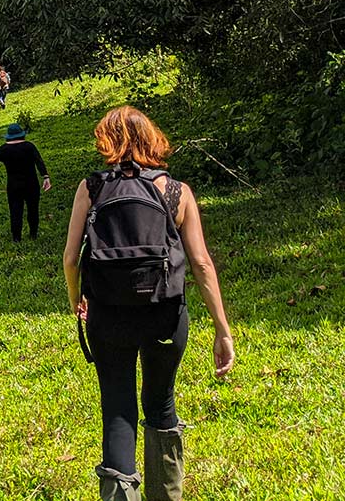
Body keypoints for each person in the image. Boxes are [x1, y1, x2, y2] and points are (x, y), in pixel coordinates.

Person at [62, 106, 234, 501]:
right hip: (165, 316)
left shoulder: (91, 188)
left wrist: (77, 299)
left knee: (118, 409)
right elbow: (202, 264)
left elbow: (71, 258)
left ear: (107, 141)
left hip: (108, 316)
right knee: (160, 403)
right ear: (152, 139)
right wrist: (222, 329)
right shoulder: (177, 192)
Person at [0, 122, 51, 240]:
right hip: (31, 183)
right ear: (22, 135)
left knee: (15, 211)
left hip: (13, 185)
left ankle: (16, 237)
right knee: (33, 209)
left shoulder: (4, 149)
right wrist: (45, 176)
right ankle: (33, 234)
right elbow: (39, 161)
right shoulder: (29, 146)